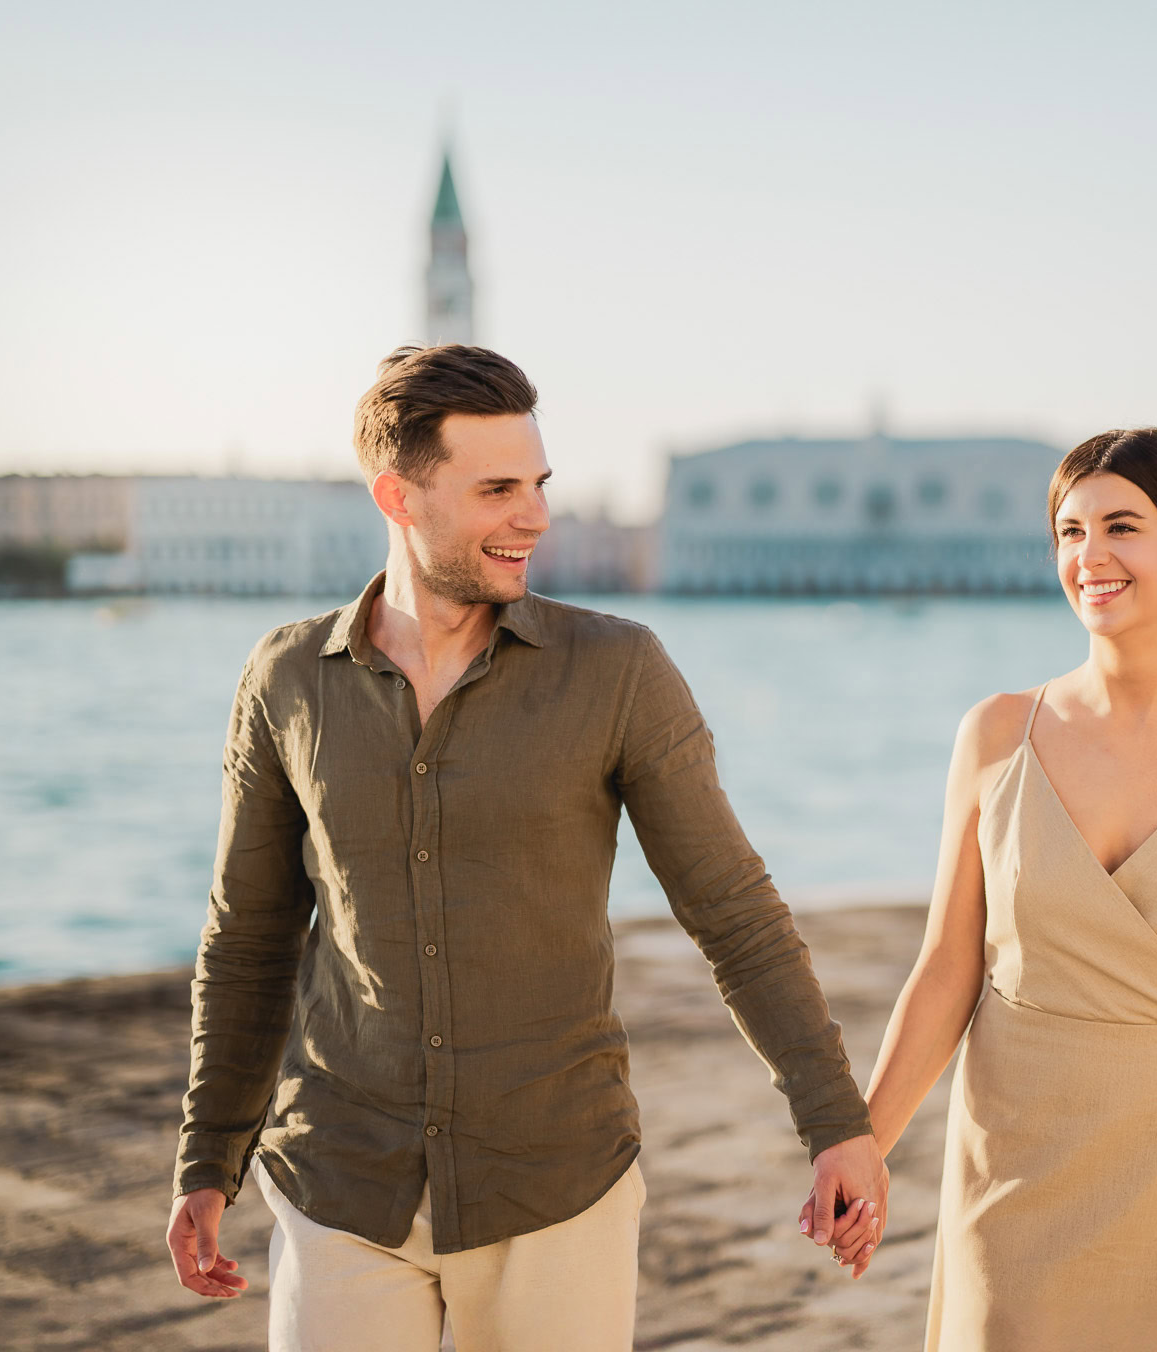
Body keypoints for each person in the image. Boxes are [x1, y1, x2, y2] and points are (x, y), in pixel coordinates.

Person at [163, 344, 888, 1351]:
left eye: (538, 483)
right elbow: (247, 938)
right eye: (497, 488)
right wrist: (209, 1158)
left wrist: (834, 1121)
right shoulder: (288, 678)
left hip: (558, 1191)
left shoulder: (618, 671)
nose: (536, 515)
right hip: (341, 1186)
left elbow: (732, 909)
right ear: (399, 495)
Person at [823, 428, 1157, 1349]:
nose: (1089, 557)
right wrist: (866, 1148)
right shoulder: (997, 734)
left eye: (1120, 527)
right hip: (1014, 1176)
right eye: (1068, 532)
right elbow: (945, 970)